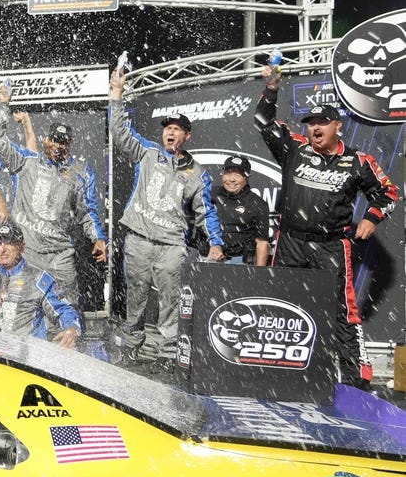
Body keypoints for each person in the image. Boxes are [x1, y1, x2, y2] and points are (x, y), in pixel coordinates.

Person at [256, 67, 399, 389]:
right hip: (291, 241)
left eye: (322, 123)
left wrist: (372, 217)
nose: (315, 128)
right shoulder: (294, 148)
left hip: (333, 245)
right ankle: (277, 370)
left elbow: (388, 192)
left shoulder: (358, 160)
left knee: (344, 312)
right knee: (282, 304)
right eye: (310, 123)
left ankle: (356, 378)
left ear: (337, 126)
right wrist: (272, 89)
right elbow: (263, 121)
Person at [109, 69, 224, 366]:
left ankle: (167, 351)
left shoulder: (197, 173)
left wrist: (215, 242)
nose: (170, 132)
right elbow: (120, 133)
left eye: (177, 129)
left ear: (187, 136)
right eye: (167, 128)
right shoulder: (148, 153)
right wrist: (117, 94)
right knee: (134, 299)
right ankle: (131, 346)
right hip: (138, 239)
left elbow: (205, 211)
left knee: (170, 303)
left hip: (172, 246)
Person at [0, 86, 107, 317]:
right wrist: (3, 105)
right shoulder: (26, 162)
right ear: (45, 140)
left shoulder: (80, 173)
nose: (58, 146)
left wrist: (98, 237)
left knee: (67, 311)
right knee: (21, 311)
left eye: (63, 142)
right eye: (54, 140)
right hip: (28, 254)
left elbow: (87, 212)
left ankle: (69, 347)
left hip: (60, 257)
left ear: (69, 143)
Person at [0, 223, 80, 348]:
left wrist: (72, 329)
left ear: (21, 248)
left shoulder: (38, 278)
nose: (2, 249)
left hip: (23, 359)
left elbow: (64, 309)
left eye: (9, 243)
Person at [212, 154, 271, 266]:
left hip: (239, 262)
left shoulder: (257, 204)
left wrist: (260, 274)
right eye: (228, 173)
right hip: (208, 258)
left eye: (237, 175)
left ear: (246, 177)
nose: (231, 179)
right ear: (222, 174)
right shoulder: (210, 195)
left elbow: (262, 243)